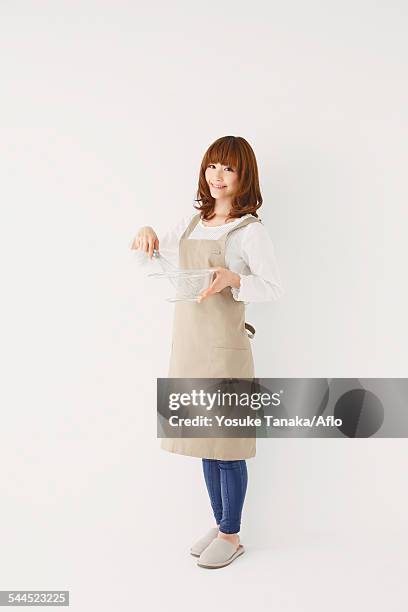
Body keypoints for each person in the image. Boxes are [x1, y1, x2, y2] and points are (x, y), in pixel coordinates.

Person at [131, 135, 284, 568]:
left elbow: (275, 288)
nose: (217, 176)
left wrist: (232, 279)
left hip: (226, 349)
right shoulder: (192, 222)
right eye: (212, 166)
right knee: (204, 442)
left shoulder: (250, 231)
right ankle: (221, 524)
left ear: (244, 177)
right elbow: (149, 258)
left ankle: (232, 535)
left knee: (228, 446)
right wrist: (145, 234)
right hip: (190, 346)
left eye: (228, 169)